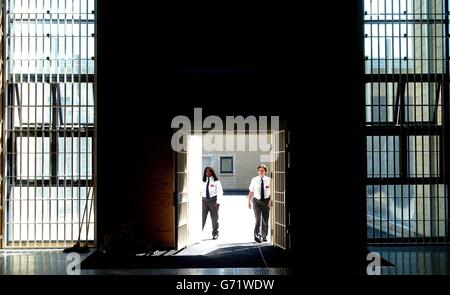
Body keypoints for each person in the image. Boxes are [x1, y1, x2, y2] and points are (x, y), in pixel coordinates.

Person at [248, 164, 272, 243]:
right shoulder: (254, 179)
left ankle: (264, 236)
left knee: (265, 219)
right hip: (256, 202)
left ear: (265, 172)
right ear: (258, 171)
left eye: (263, 170)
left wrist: (270, 201)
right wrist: (249, 202)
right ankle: (257, 235)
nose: (261, 172)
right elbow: (251, 191)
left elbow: (272, 192)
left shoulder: (269, 180)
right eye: (260, 170)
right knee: (258, 219)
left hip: (266, 201)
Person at [201, 167, 223, 240]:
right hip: (204, 201)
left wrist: (218, 202)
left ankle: (215, 233)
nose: (208, 173)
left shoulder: (216, 181)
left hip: (213, 201)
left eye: (209, 171)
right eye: (206, 171)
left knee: (214, 218)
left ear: (212, 172)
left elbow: (220, 192)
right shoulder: (203, 181)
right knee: (202, 218)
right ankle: (198, 233)